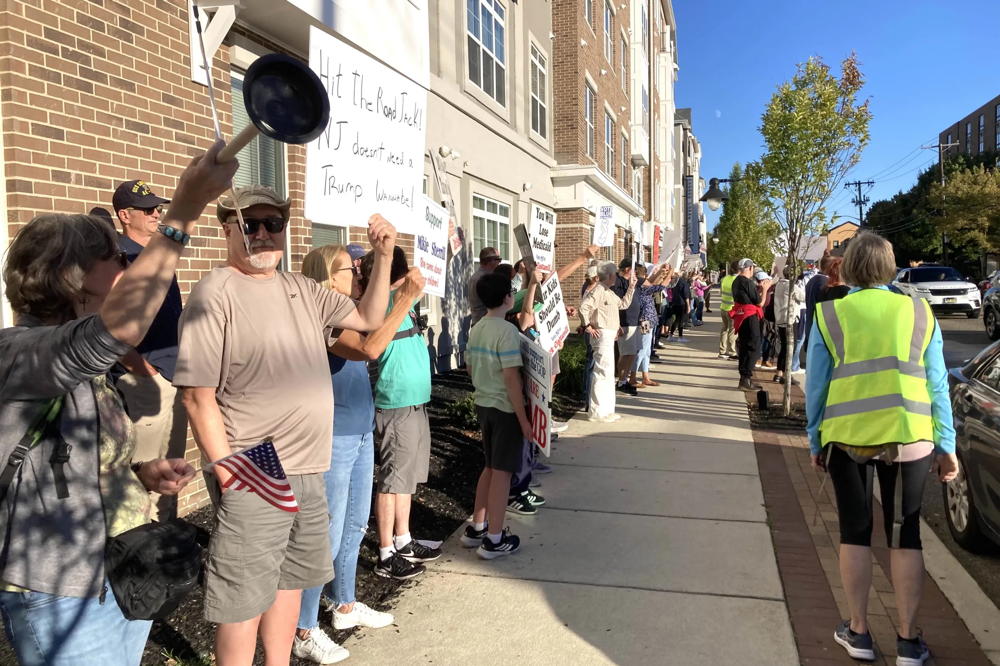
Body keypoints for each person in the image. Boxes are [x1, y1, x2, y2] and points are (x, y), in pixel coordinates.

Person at [0, 141, 235, 665]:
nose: (128, 275)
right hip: (57, 590)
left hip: (120, 568)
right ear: (72, 279)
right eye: (115, 263)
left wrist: (141, 472)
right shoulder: (19, 355)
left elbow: (72, 458)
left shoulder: (88, 366)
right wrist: (183, 211)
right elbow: (123, 325)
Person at [175, 185, 398, 666]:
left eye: (272, 223)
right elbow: (197, 395)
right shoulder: (215, 292)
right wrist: (231, 470)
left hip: (309, 465)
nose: (261, 234)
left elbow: (368, 316)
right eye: (248, 224)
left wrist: (383, 257)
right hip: (255, 465)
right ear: (227, 228)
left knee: (289, 581)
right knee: (243, 599)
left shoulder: (302, 288)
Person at [805, 232, 959, 665]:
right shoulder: (918, 311)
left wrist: (815, 439)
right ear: (890, 267)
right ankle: (909, 641)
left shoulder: (830, 314)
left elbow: (816, 384)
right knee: (905, 534)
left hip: (848, 433)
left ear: (849, 266)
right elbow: (936, 381)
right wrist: (946, 443)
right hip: (910, 433)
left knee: (854, 533)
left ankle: (858, 631)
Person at [293, 244, 407, 663]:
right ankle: (304, 630)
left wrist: (385, 263)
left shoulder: (349, 310)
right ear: (327, 276)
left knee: (355, 524)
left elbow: (373, 319)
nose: (358, 272)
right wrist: (407, 298)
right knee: (324, 533)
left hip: (359, 432)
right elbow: (369, 348)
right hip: (334, 437)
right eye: (350, 268)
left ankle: (343, 605)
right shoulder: (322, 317)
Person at [110, 179, 187, 521]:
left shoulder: (155, 254)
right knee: (143, 471)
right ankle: (139, 543)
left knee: (172, 469)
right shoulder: (119, 259)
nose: (157, 214)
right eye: (148, 209)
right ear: (125, 215)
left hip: (175, 373)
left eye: (159, 208)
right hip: (145, 379)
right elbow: (105, 325)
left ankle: (166, 534)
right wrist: (140, 368)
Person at [463, 272, 533, 558]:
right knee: (503, 473)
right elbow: (511, 379)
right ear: (508, 298)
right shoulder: (506, 332)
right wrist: (524, 420)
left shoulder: (478, 327)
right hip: (505, 409)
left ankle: (477, 526)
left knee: (490, 468)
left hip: (483, 403)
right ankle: (494, 538)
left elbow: (469, 367)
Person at [579, 261, 636, 422]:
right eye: (615, 275)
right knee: (602, 372)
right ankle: (597, 412)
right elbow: (584, 307)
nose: (616, 278)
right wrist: (587, 326)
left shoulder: (608, 292)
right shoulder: (598, 290)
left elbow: (623, 304)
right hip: (601, 334)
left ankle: (607, 410)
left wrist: (631, 287)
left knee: (608, 373)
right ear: (610, 276)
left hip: (609, 334)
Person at [630, 263, 672, 387]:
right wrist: (670, 273)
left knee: (647, 349)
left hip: (649, 320)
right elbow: (660, 286)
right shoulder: (640, 287)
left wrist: (661, 273)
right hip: (645, 321)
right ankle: (632, 377)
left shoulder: (643, 285)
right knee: (642, 348)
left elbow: (654, 282)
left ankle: (645, 376)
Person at [731, 258, 769, 390]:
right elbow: (759, 303)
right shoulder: (747, 282)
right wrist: (765, 289)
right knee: (753, 347)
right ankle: (746, 377)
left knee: (745, 346)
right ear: (749, 268)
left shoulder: (736, 281)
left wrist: (756, 290)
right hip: (750, 316)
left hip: (741, 316)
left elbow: (749, 297)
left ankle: (744, 378)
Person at [612, 259, 643, 395]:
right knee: (626, 353)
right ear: (626, 269)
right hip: (625, 322)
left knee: (633, 353)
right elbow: (618, 304)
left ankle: (624, 380)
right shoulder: (618, 282)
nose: (635, 272)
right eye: (633, 269)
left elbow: (652, 283)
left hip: (634, 321)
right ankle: (621, 381)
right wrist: (617, 323)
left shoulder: (632, 281)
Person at [772, 265, 805, 384]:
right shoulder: (792, 286)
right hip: (790, 319)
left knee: (784, 348)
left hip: (780, 319)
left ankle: (778, 374)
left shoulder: (779, 284)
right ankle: (787, 375)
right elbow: (803, 297)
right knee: (790, 348)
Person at [469, 247, 503, 327]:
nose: (499, 262)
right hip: (485, 325)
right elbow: (496, 302)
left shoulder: (476, 276)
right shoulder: (485, 278)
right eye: (498, 259)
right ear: (489, 260)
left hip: (479, 323)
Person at [718, 260, 739, 359]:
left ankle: (722, 351)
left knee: (724, 329)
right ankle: (732, 352)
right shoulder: (738, 280)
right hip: (732, 309)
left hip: (723, 307)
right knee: (732, 331)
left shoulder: (724, 278)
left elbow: (721, 292)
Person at [666, 271, 692, 342]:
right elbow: (686, 295)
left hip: (675, 302)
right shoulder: (684, 283)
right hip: (682, 303)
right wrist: (688, 306)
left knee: (676, 320)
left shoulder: (675, 283)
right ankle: (680, 337)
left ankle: (671, 335)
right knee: (680, 320)